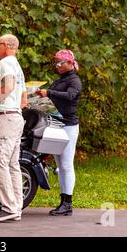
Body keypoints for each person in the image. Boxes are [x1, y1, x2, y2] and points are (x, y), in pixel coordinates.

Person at [0, 34, 27, 222]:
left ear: (8, 45)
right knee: (12, 164)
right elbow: (24, 99)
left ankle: (9, 207)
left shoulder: (5, 63)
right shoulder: (18, 66)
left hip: (6, 117)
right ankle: (16, 207)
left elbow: (8, 86)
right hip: (17, 117)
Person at [35, 49, 82, 216]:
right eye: (56, 63)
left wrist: (49, 92)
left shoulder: (74, 80)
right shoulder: (60, 80)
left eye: (60, 63)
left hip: (68, 127)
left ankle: (67, 202)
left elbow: (70, 96)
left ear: (70, 63)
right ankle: (63, 201)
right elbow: (53, 100)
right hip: (56, 124)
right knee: (60, 166)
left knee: (66, 165)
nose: (58, 66)